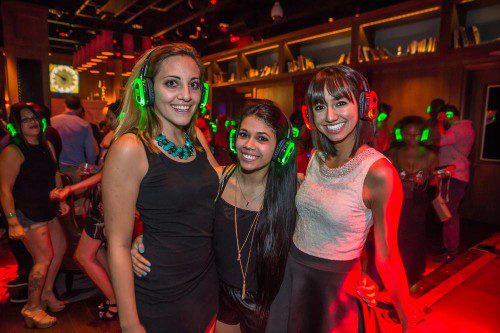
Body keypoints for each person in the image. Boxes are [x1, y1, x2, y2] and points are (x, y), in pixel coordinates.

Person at [266, 65, 419, 332]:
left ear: (364, 107)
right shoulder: (317, 157)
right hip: (293, 275)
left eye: (340, 102)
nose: (330, 115)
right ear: (310, 114)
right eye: (320, 105)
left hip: (333, 291)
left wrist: (408, 320)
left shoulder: (379, 173)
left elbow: (388, 256)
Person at [131, 100, 298, 332]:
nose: (249, 145)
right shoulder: (218, 181)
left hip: (269, 303)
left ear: (280, 149)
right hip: (220, 296)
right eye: (243, 134)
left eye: (262, 138)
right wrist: (143, 239)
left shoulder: (293, 193)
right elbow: (176, 214)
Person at [102, 43, 219, 333]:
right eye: (171, 83)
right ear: (147, 91)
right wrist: (130, 324)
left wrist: (283, 173)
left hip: (205, 285)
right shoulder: (130, 147)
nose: (186, 96)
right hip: (163, 295)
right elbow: (116, 244)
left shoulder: (195, 140)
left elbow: (226, 182)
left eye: (194, 85)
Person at [0, 102, 69, 328]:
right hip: (27, 213)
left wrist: (61, 199)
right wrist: (12, 221)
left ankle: (47, 293)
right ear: (17, 125)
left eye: (35, 117)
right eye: (25, 119)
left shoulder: (46, 144)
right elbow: (4, 189)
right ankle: (32, 307)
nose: (32, 122)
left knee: (59, 250)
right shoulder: (13, 151)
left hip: (46, 208)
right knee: (43, 259)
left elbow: (54, 173)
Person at [386, 116, 437, 284]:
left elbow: (434, 180)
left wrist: (427, 178)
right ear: (401, 134)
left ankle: (413, 272)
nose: (412, 138)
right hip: (398, 199)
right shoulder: (394, 152)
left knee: (416, 234)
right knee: (398, 234)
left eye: (416, 134)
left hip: (419, 199)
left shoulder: (430, 155)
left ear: (422, 134)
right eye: (408, 134)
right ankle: (397, 271)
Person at [433, 104, 474, 263]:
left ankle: (451, 251)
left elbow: (440, 140)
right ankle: (449, 248)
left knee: (448, 213)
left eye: (444, 115)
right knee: (447, 212)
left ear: (449, 114)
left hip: (454, 176)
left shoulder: (459, 129)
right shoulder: (464, 127)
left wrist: (440, 123)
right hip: (454, 175)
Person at [51, 95, 99, 183]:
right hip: (76, 171)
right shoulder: (84, 125)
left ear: (65, 105)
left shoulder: (52, 121)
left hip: (55, 171)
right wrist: (90, 166)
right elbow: (91, 153)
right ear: (80, 109)